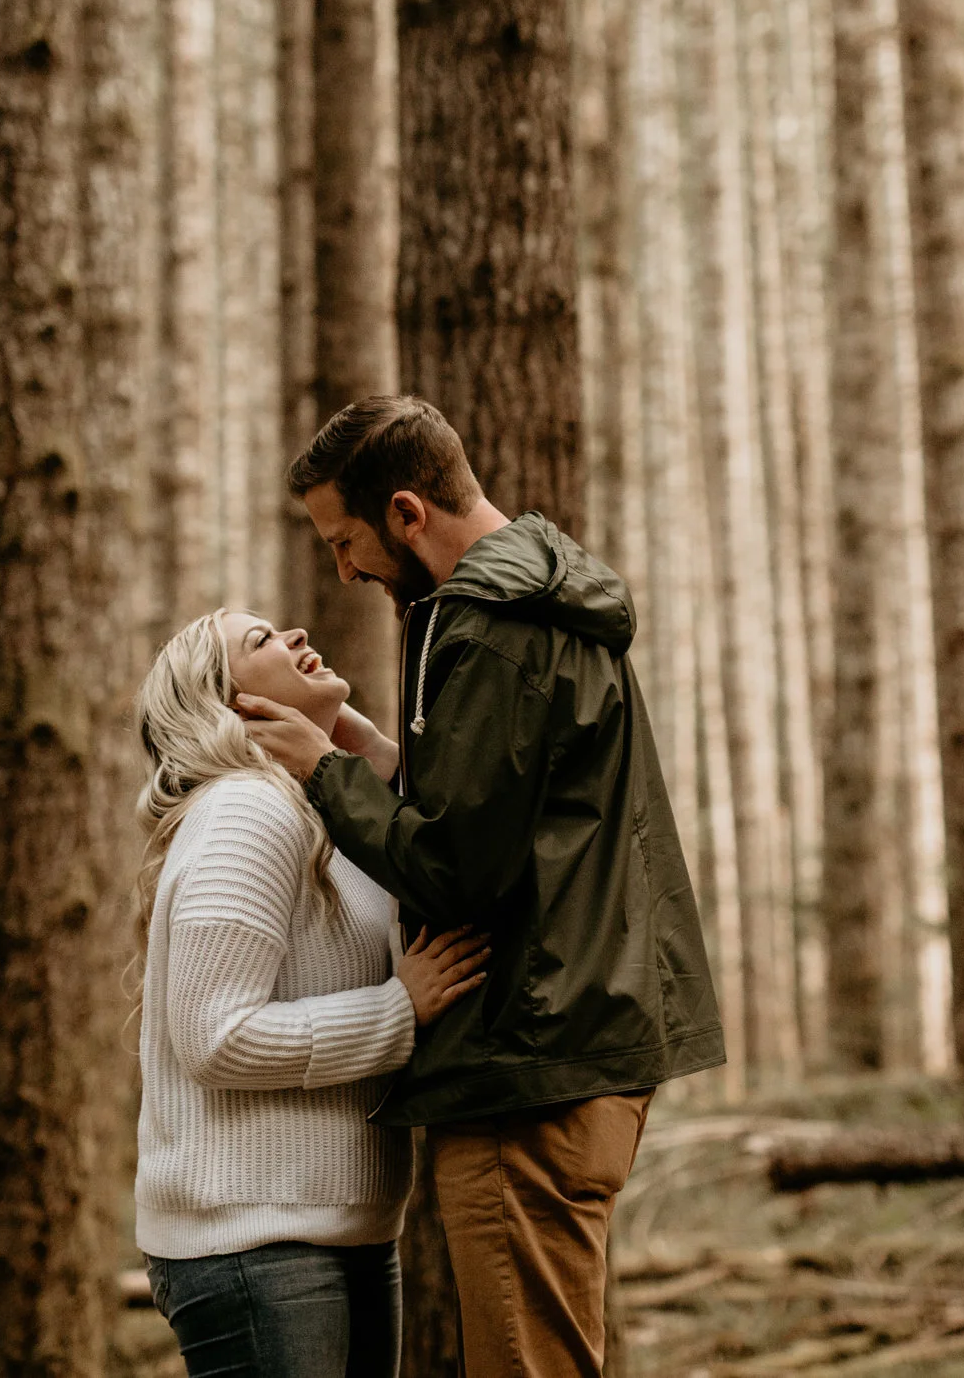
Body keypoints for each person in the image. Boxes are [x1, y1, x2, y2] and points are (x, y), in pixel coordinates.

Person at [240, 395, 726, 1377]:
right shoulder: (536, 605)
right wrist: (376, 756)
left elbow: (459, 870)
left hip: (529, 1060)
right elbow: (512, 817)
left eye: (347, 540)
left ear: (409, 513)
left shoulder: (492, 627)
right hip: (567, 1042)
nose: (342, 569)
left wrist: (321, 775)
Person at [134, 605, 492, 1378]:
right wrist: (400, 1009)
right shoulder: (246, 812)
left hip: (344, 1232)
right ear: (232, 702)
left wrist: (364, 751)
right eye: (261, 640)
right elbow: (214, 1034)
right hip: (254, 1245)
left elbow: (442, 851)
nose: (295, 634)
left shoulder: (317, 808)